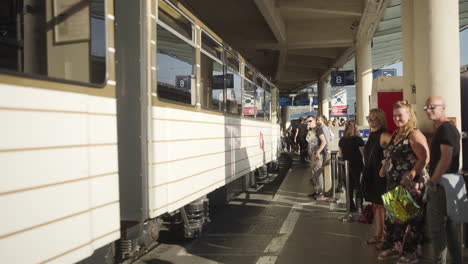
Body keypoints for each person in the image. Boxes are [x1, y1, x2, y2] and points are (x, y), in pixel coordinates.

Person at [378, 101, 429, 264]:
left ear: (409, 115)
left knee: (411, 221)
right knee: (396, 219)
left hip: (410, 183)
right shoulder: (397, 133)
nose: (396, 118)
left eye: (400, 115)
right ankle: (397, 246)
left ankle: (411, 252)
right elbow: (390, 155)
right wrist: (384, 167)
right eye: (394, 115)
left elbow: (425, 158)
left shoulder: (414, 134)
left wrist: (410, 175)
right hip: (395, 182)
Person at [424, 96, 462, 264]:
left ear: (443, 107)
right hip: (450, 183)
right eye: (427, 107)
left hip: (442, 185)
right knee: (448, 227)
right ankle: (457, 259)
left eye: (433, 106)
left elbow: (446, 158)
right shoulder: (445, 129)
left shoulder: (446, 129)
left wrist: (433, 180)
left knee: (436, 228)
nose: (429, 109)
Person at [362, 108, 392, 248]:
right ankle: (378, 234)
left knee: (383, 206)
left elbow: (394, 152)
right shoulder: (372, 134)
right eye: (369, 117)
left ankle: (385, 237)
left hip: (380, 175)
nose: (370, 120)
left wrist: (384, 166)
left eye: (373, 118)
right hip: (371, 174)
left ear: (380, 119)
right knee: (377, 205)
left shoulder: (383, 135)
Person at [338, 120, 365, 212]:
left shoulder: (342, 140)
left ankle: (350, 205)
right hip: (357, 164)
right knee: (358, 185)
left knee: (348, 185)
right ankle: (359, 205)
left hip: (345, 164)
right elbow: (363, 153)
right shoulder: (358, 140)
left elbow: (340, 154)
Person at [306, 116, 327, 199]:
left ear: (314, 121)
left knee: (318, 173)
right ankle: (317, 190)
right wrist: (309, 149)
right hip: (313, 154)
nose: (308, 123)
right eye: (307, 121)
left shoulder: (318, 129)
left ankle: (321, 191)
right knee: (313, 172)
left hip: (318, 154)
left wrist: (318, 151)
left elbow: (324, 141)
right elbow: (310, 141)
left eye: (310, 121)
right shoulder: (311, 130)